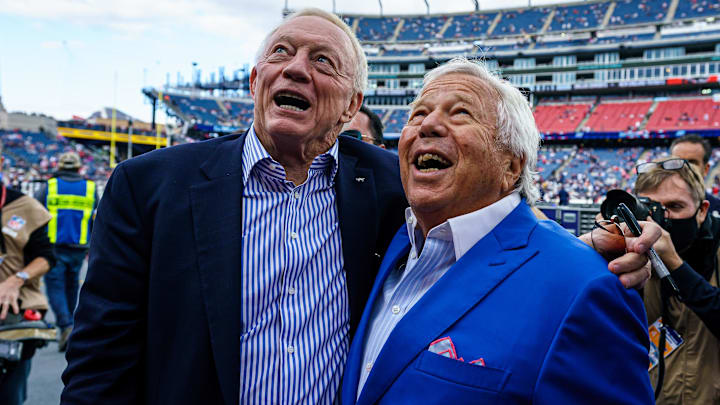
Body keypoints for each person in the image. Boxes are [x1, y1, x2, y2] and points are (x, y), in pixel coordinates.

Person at [62, 10, 656, 405]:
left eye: (323, 62)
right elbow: (99, 364)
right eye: (282, 53)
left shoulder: (388, 186)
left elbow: (491, 223)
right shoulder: (148, 187)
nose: (296, 68)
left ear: (353, 106)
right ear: (254, 80)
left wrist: (580, 258)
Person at [342, 58, 654, 404]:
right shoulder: (386, 243)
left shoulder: (585, 288)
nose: (427, 125)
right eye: (418, 114)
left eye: (460, 113)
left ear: (511, 165)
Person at [633, 157, 720, 403]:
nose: (662, 219)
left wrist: (674, 263)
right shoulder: (635, 258)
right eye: (651, 208)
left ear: (702, 211)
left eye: (674, 206)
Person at [0, 143, 55, 405]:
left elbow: (46, 257)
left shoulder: (24, 207)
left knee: (11, 395)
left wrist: (16, 279)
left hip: (14, 315)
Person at [35, 151, 98, 352]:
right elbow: (96, 216)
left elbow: (35, 213)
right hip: (79, 246)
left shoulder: (49, 186)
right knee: (72, 286)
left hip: (53, 244)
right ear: (79, 167)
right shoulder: (90, 187)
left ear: (59, 167)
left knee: (55, 286)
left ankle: (65, 325)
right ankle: (70, 325)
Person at [670, 134, 720, 218]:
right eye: (677, 161)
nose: (684, 167)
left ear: (706, 169)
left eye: (692, 162)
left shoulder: (717, 208)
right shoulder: (656, 206)